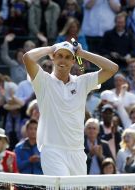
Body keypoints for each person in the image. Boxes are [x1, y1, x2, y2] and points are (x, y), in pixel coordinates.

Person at [23, 40, 118, 176]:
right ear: (53, 58)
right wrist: (51, 48)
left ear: (73, 61)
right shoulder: (43, 81)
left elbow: (112, 68)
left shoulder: (82, 82)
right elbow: (28, 58)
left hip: (78, 152)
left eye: (68, 57)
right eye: (59, 55)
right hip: (52, 151)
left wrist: (82, 53)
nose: (63, 60)